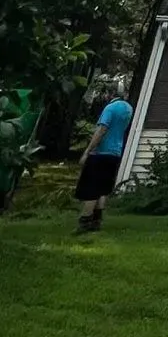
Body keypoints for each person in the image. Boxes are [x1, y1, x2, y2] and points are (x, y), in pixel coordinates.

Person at [74, 85, 133, 233]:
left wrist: (88, 150)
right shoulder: (128, 108)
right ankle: (97, 220)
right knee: (103, 188)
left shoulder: (110, 109)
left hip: (101, 152)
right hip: (115, 152)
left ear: (110, 94)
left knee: (91, 187)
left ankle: (85, 221)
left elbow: (102, 130)